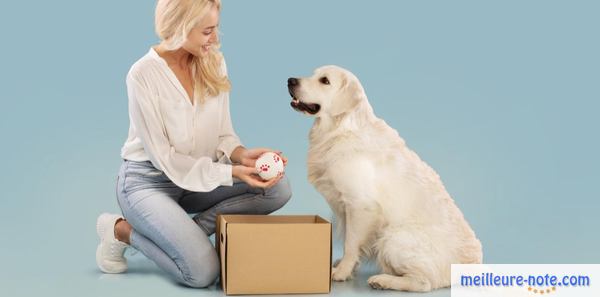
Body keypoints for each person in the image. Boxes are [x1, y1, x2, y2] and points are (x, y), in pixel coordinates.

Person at [95, 0, 292, 288]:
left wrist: (242, 155)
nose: (214, 39)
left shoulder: (213, 61)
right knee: (202, 273)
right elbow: (165, 158)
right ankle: (122, 231)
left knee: (277, 187)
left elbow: (223, 133)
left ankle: (189, 232)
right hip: (148, 182)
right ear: (180, 28)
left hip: (199, 179)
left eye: (215, 29)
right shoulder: (143, 75)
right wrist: (232, 172)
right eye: (207, 32)